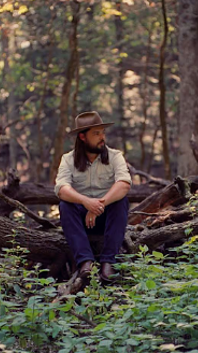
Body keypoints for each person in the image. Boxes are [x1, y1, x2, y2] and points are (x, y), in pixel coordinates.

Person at [54, 111, 132, 282]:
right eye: (96, 134)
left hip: (106, 218)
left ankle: (108, 263)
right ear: (82, 137)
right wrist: (86, 202)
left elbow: (124, 184)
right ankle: (85, 262)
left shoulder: (115, 156)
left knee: (121, 202)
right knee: (65, 205)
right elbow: (61, 188)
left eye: (102, 132)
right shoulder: (68, 159)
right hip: (81, 220)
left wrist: (98, 206)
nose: (102, 137)